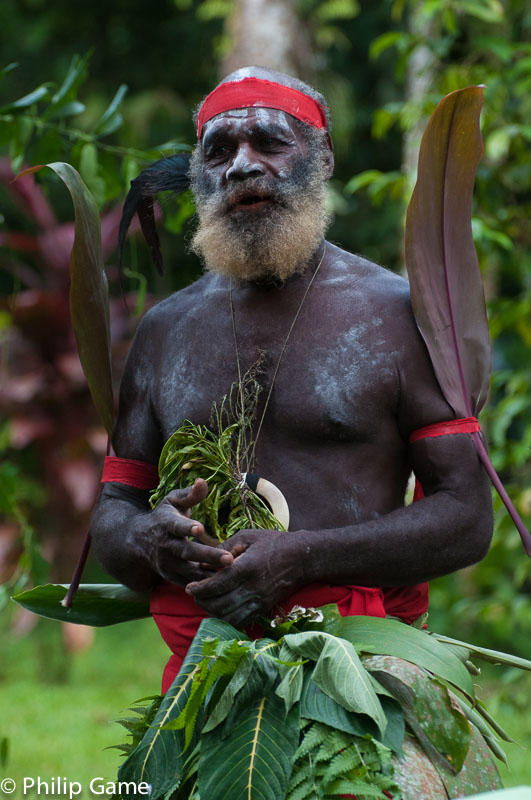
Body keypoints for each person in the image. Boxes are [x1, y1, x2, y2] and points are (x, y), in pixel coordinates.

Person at [90, 66, 493, 692]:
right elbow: (115, 511)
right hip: (204, 686)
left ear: (323, 157)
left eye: (270, 143)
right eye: (218, 151)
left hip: (366, 681)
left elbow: (467, 517)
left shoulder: (399, 316)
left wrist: (305, 556)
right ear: (199, 175)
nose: (242, 167)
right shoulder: (164, 331)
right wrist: (150, 539)